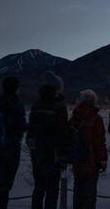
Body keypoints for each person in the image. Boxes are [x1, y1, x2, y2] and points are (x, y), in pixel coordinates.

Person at [27, 71, 73, 209]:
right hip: (53, 153)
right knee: (52, 188)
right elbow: (63, 132)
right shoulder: (59, 106)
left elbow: (31, 129)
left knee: (39, 186)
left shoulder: (36, 104)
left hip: (37, 152)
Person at [0, 76, 27, 209]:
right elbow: (18, 126)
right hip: (11, 148)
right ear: (16, 88)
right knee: (6, 184)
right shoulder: (15, 103)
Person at [70, 89, 108, 209]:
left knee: (78, 192)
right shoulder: (96, 119)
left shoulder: (74, 118)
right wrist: (102, 159)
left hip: (77, 160)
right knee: (90, 195)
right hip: (91, 161)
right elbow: (99, 142)